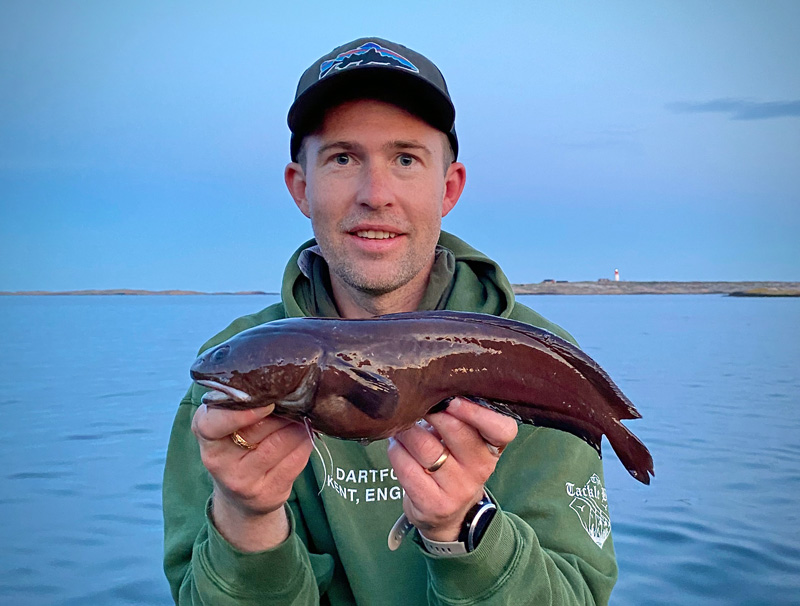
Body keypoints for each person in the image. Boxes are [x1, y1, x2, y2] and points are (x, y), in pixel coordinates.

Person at [162, 37, 618, 605]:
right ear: (300, 187)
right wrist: (246, 518)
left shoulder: (542, 360)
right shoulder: (224, 388)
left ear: (448, 188)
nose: (375, 195)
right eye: (343, 158)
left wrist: (464, 530)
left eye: (405, 159)